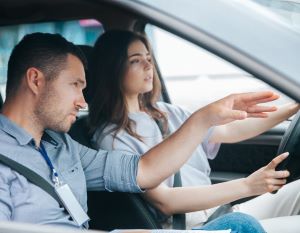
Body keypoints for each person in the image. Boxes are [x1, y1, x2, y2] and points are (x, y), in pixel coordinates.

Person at [88, 30, 300, 232]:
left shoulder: (167, 112)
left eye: (148, 58)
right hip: (195, 227)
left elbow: (230, 131)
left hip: (220, 212)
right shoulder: (112, 138)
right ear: (112, 69)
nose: (148, 65)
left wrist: (293, 107)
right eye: (135, 60)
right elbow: (165, 201)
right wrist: (247, 185)